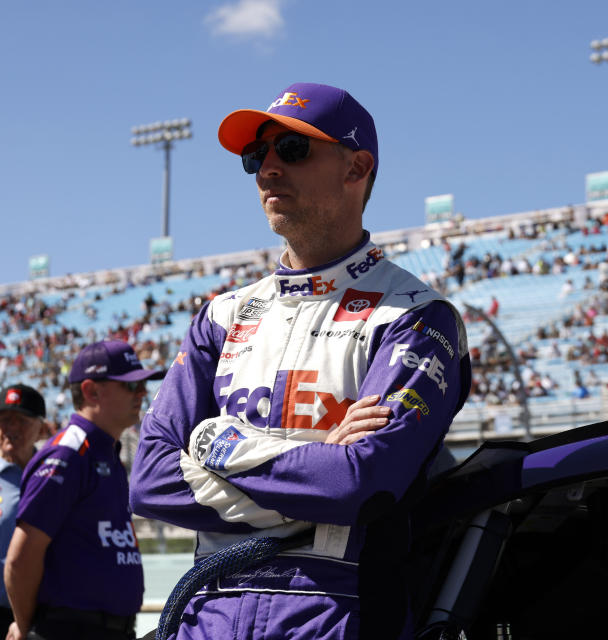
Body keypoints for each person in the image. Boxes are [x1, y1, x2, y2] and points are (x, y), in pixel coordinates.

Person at [129, 82, 471, 640]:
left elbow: (361, 484)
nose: (267, 170)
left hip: (339, 614)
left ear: (357, 168)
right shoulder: (222, 315)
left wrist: (218, 444)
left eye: (291, 150)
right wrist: (315, 463)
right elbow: (149, 481)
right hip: (207, 613)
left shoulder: (417, 317)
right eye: (255, 156)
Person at [4, 341, 163, 640]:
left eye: (142, 384)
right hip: (69, 629)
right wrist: (25, 628)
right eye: (131, 386)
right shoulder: (68, 454)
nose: (142, 393)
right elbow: (20, 558)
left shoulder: (103, 452)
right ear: (90, 391)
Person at [0, 385, 48, 633]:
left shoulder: (54, 478)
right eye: (5, 420)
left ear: (41, 429)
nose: (11, 428)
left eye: (21, 420)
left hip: (42, 617)